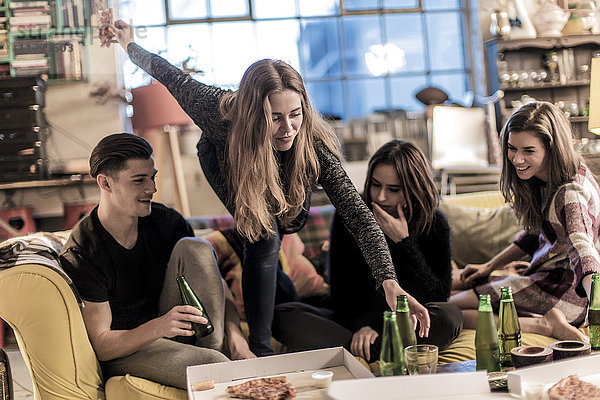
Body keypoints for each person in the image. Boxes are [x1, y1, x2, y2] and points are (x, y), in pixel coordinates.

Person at [108, 20, 430, 356]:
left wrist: (388, 279)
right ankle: (260, 349)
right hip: (229, 161)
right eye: (274, 117)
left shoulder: (312, 144)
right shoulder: (215, 110)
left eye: (295, 114)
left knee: (282, 227)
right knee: (262, 235)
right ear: (250, 113)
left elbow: (358, 214)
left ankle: (284, 306)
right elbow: (169, 73)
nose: (287, 127)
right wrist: (128, 44)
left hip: (288, 183)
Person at [59, 133, 255, 390]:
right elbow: (103, 344)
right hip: (128, 347)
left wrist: (237, 339)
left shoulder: (167, 222)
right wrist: (160, 326)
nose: (151, 188)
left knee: (195, 247)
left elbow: (215, 284)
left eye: (152, 177)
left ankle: (216, 355)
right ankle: (215, 362)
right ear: (105, 183)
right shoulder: (84, 251)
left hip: (177, 331)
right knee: (213, 366)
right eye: (139, 180)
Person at [273, 140, 463, 362]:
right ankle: (384, 351)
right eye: (375, 185)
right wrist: (364, 325)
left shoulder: (435, 223)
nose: (381, 197)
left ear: (414, 189)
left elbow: (438, 295)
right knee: (281, 315)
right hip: (355, 322)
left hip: (406, 324)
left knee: (450, 316)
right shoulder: (350, 217)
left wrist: (404, 243)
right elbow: (342, 293)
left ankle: (369, 351)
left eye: (393, 190)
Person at [450, 102, 600, 342]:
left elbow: (582, 247)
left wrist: (598, 304)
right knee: (457, 285)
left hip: (563, 295)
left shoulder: (570, 193)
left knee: (452, 308)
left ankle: (546, 325)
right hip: (545, 280)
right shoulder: (547, 179)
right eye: (512, 148)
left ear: (552, 148)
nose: (517, 159)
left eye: (528, 151)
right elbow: (534, 235)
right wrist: (489, 266)